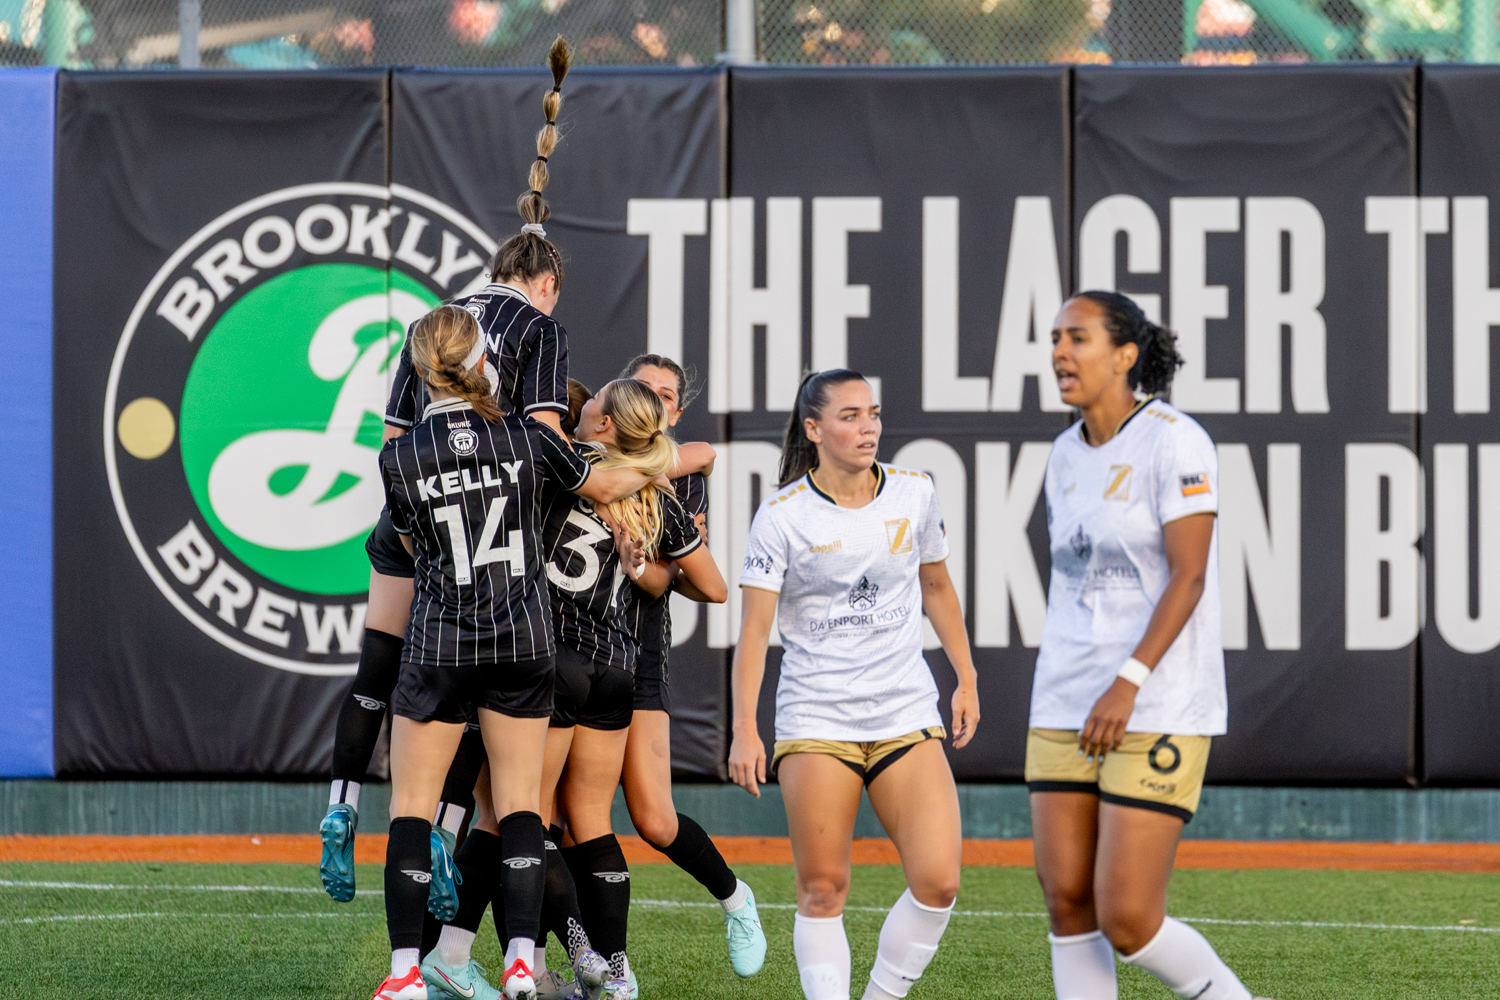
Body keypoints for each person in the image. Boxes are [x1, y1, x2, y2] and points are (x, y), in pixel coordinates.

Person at [320, 34, 577, 909]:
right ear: (544, 282)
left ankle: (342, 801)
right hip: (489, 531)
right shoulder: (540, 329)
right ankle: (444, 826)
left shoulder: (435, 322)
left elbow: (395, 433)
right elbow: (544, 444)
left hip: (410, 513)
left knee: (384, 665)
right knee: (489, 678)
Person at [370, 305, 654, 1000]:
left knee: (411, 808)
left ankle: (405, 973)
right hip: (521, 639)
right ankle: (522, 960)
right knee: (523, 803)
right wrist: (664, 456)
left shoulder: (397, 456)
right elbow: (603, 484)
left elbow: (407, 543)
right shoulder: (529, 436)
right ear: (482, 362)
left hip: (441, 641)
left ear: (420, 371)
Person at [1032, 290, 1268, 1000]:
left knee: (1129, 918)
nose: (1059, 352)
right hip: (1064, 699)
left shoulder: (1175, 439)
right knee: (1068, 904)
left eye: (1077, 338)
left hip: (1155, 701)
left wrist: (1127, 681)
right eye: (1055, 338)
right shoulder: (1062, 454)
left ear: (1125, 355)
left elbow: (1189, 576)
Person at [728, 369, 980, 1000]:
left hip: (905, 712)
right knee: (822, 890)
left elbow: (937, 587)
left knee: (939, 882)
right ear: (814, 429)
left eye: (873, 413)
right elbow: (754, 632)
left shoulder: (915, 491)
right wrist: (744, 729)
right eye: (850, 416)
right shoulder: (781, 515)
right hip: (816, 718)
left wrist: (966, 676)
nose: (868, 428)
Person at [545, 377, 727, 997]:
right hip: (616, 666)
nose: (584, 404)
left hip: (553, 659)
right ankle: (618, 973)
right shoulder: (658, 496)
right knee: (592, 822)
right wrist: (649, 570)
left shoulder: (567, 465)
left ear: (603, 425)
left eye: (594, 402)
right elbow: (714, 587)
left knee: (529, 821)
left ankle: (573, 953)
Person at [617, 353, 767, 978]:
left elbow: (681, 580)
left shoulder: (683, 474)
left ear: (676, 413)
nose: (653, 400)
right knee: (564, 820)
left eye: (666, 395)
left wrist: (641, 565)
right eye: (642, 389)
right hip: (566, 652)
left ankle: (736, 897)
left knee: (654, 819)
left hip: (636, 650)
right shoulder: (588, 454)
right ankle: (594, 961)